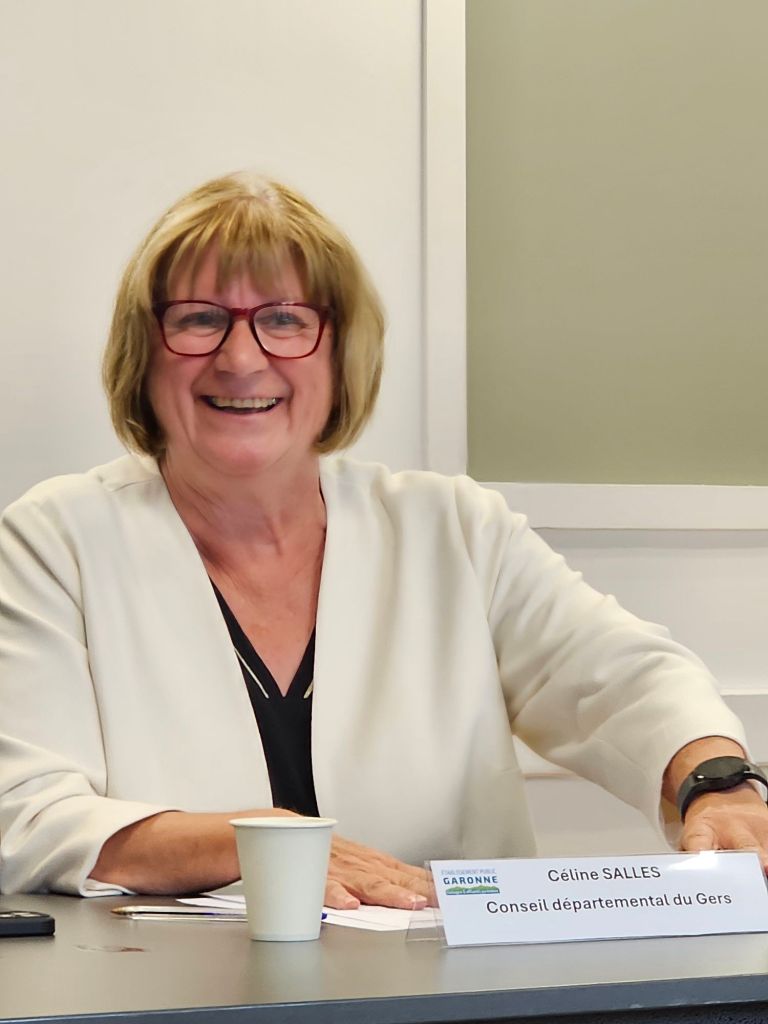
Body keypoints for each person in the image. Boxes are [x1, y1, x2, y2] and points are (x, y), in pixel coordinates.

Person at [1, 172, 767, 903]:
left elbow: (623, 679)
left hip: (450, 975)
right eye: (199, 320)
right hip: (165, 979)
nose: (240, 358)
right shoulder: (57, 542)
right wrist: (255, 844)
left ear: (342, 352)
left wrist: (717, 785)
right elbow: (28, 817)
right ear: (145, 350)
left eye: (285, 320)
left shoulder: (453, 531)